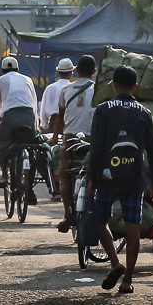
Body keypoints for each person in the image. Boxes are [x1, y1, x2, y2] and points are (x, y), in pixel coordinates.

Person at [86, 65, 153, 295]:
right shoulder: (144, 112)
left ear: (114, 86)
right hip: (134, 178)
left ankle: (114, 262)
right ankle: (127, 280)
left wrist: (92, 178)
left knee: (100, 221)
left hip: (107, 177)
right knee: (133, 228)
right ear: (135, 87)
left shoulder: (103, 110)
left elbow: (97, 147)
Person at [53, 55, 97, 232]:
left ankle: (67, 213)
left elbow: (60, 118)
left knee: (64, 173)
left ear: (76, 70)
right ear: (94, 72)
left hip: (70, 138)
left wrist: (55, 136)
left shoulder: (66, 89)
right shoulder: (99, 90)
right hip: (93, 139)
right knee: (96, 173)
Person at [0, 56, 40, 199]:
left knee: (1, 145)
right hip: (28, 116)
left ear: (2, 70)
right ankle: (29, 188)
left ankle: (5, 176)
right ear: (18, 69)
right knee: (32, 150)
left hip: (10, 117)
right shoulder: (28, 79)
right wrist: (35, 125)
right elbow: (34, 104)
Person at [40, 58, 76, 132]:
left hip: (52, 125)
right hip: (68, 125)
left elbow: (43, 110)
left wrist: (44, 125)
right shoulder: (73, 89)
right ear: (72, 73)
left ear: (58, 72)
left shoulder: (50, 88)